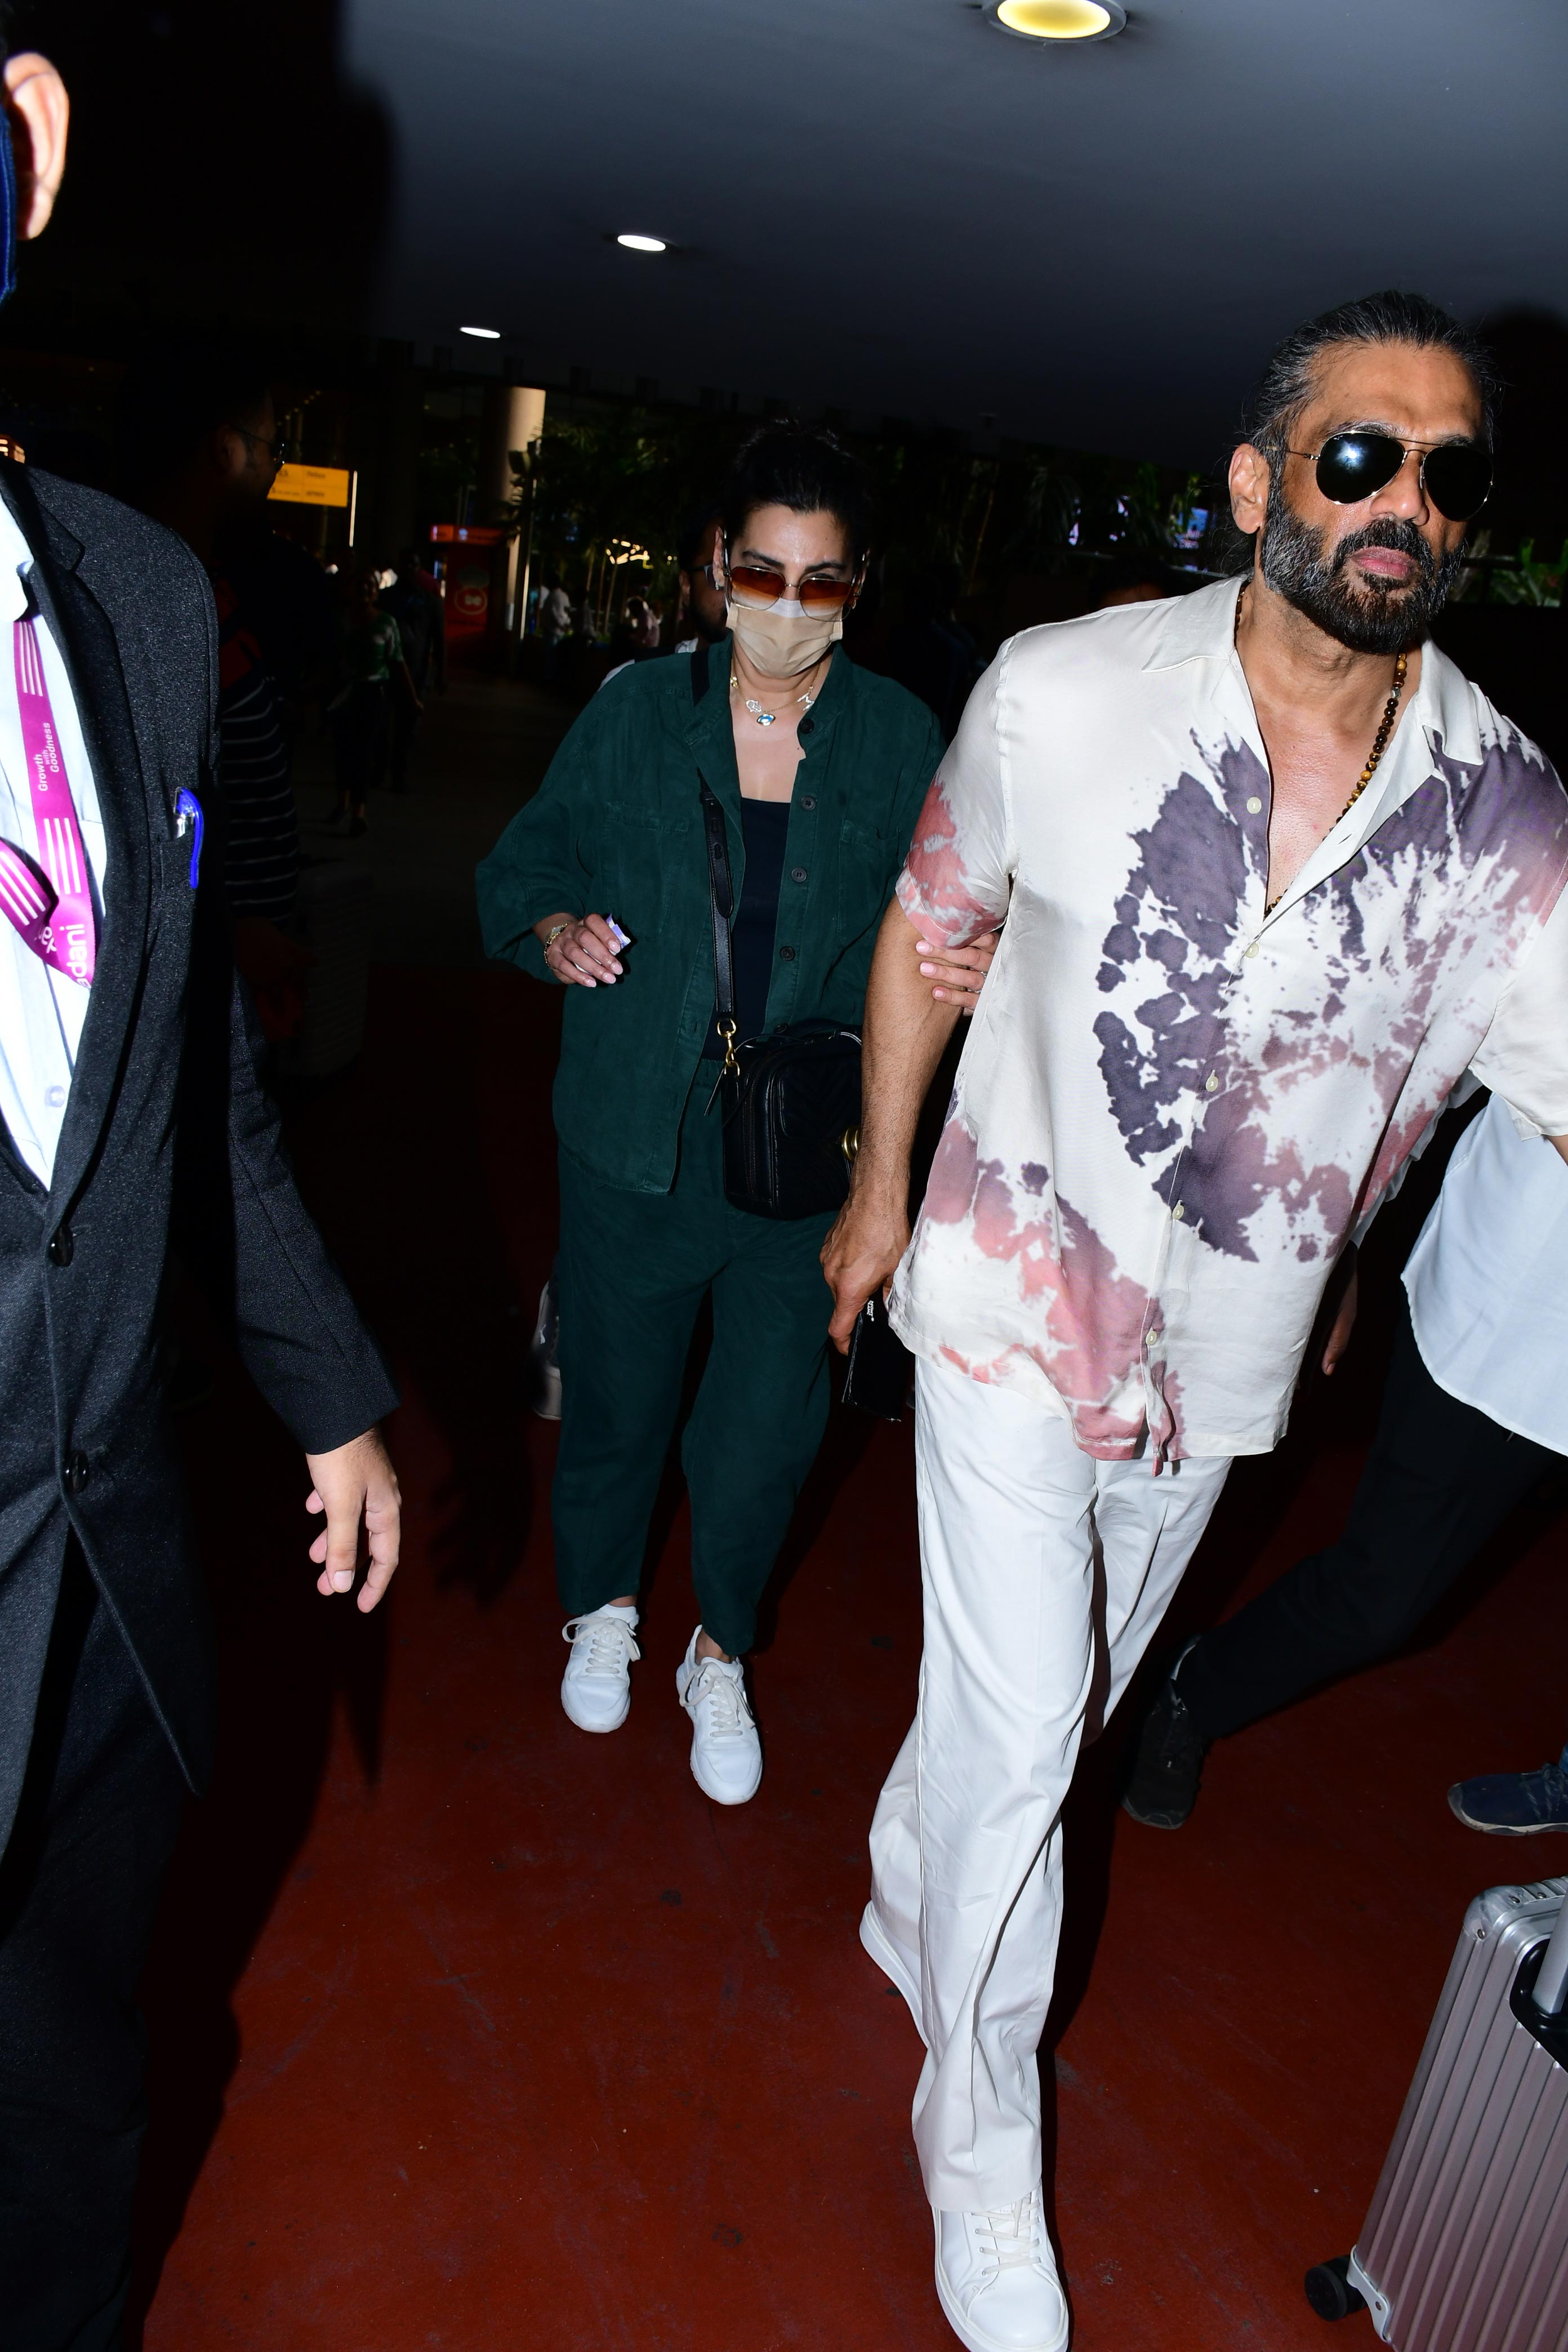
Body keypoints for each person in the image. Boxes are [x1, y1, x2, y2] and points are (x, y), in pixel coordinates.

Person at [821, 289, 1568, 2352]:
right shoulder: (1063, 690)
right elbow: (929, 931)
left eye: (1450, 471)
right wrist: (881, 1191)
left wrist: (1332, 1267)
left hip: (1225, 1370)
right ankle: (978, 2118)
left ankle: (912, 1867)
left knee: (1027, 1722)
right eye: (1360, 454)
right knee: (1034, 1728)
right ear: (1258, 482)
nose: (1405, 500)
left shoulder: (1509, 812)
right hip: (1001, 1293)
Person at [0, 47, 403, 2349]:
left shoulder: (140, 597)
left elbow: (183, 1082)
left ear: (30, 145)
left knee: (71, 2103)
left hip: (107, 1585)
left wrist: (328, 1385)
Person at [478, 427, 991, 1808]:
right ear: (718, 566)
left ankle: (720, 1645)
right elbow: (522, 860)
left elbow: (953, 910)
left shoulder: (895, 737)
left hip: (802, 1156)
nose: (783, 606)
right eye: (761, 571)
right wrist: (552, 924)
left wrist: (976, 959)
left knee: (766, 1428)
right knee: (619, 1403)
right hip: (631, 1134)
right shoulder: (635, 710)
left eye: (818, 583)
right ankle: (602, 1606)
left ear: (854, 590)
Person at [1124, 1084, 1568, 1834]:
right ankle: (1195, 1691)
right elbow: (1434, 1055)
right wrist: (1344, 1236)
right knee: (1381, 1597)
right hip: (1517, 1315)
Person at [119, 338, 311, 1024]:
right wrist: (229, 934)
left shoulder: (204, 579)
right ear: (227, 449)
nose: (275, 465)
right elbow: (143, 802)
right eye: (271, 445)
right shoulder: (148, 590)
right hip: (198, 978)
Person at [328, 563, 419, 835]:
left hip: (373, 696)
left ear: (376, 593)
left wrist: (413, 699)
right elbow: (330, 659)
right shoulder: (342, 622)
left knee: (364, 752)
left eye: (370, 585)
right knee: (343, 750)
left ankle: (359, 812)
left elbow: (398, 662)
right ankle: (342, 803)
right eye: (360, 585)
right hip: (344, 694)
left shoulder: (387, 624)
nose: (365, 590)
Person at [381, 545, 446, 789]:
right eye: (406, 564)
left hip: (417, 672)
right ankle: (380, 768)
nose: (409, 569)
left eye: (414, 565)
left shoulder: (429, 602)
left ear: (420, 570)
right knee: (384, 724)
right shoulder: (386, 598)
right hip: (387, 672)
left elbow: (439, 639)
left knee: (408, 727)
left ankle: (400, 772)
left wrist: (441, 673)